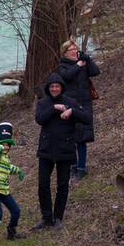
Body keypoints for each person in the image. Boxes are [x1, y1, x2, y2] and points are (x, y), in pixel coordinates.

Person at [33, 72, 91, 230]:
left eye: (57, 86)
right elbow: (40, 119)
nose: (54, 89)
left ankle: (58, 217)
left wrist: (71, 111)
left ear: (61, 87)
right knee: (43, 184)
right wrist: (54, 108)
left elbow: (87, 117)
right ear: (48, 88)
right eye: (51, 86)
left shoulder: (70, 101)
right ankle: (46, 218)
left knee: (62, 185)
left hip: (65, 150)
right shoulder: (44, 102)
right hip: (46, 150)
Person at [55, 39, 101, 180]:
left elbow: (96, 71)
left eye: (76, 49)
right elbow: (66, 77)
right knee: (70, 137)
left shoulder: (84, 62)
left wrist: (87, 59)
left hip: (84, 104)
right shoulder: (62, 66)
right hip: (70, 104)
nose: (75, 52)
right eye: (71, 50)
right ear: (65, 53)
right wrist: (78, 65)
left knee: (82, 138)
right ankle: (73, 166)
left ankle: (81, 168)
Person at [0, 122, 26, 245]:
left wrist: (18, 171)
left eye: (8, 145)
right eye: (3, 144)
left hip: (3, 190)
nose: (6, 147)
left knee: (16, 211)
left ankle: (11, 231)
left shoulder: (6, 157)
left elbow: (8, 168)